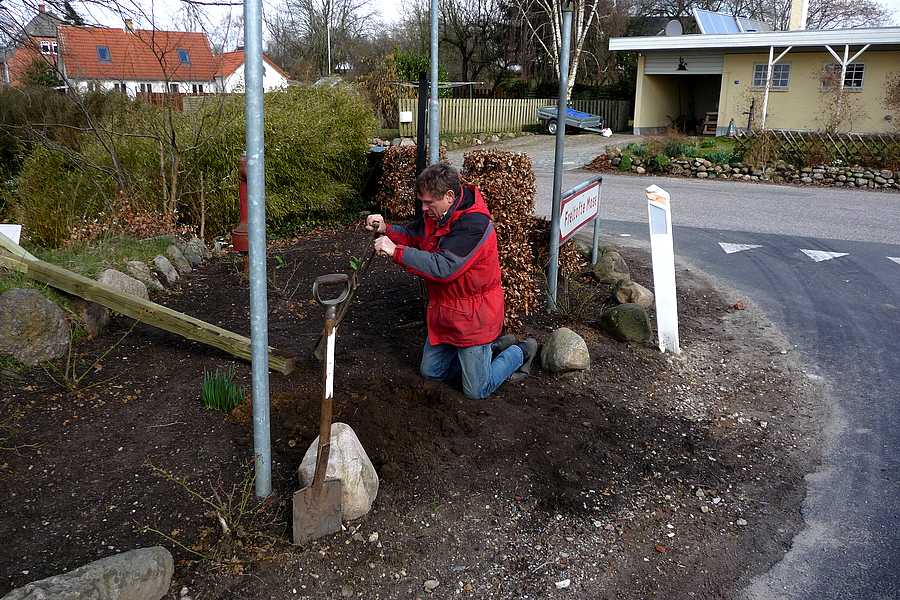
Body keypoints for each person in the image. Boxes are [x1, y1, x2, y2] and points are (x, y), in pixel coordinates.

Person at [366, 163, 537, 399]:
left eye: (428, 203)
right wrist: (385, 228)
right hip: (446, 313)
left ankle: (521, 351)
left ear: (449, 196)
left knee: (476, 390)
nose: (423, 209)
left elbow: (443, 267)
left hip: (474, 316)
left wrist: (396, 251)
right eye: (422, 202)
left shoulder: (474, 225)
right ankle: (490, 351)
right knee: (431, 372)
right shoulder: (437, 215)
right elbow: (415, 236)